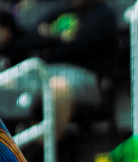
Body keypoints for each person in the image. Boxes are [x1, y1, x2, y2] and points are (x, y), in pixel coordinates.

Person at [33, 0, 119, 138]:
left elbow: (79, 46)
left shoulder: (103, 14)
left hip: (88, 77)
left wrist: (49, 39)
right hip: (47, 70)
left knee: (57, 87)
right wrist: (60, 40)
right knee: (11, 85)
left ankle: (47, 151)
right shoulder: (59, 10)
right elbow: (31, 37)